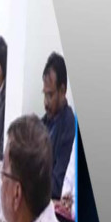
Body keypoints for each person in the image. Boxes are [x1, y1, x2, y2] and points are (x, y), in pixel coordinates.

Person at [41, 52, 76, 200]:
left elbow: (57, 185)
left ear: (62, 91)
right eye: (44, 94)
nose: (45, 102)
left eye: (50, 95)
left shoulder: (69, 126)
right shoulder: (44, 122)